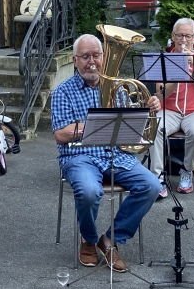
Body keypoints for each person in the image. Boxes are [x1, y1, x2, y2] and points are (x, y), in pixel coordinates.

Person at [53, 33, 163, 272]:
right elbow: (60, 134)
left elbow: (134, 126)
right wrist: (90, 127)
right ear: (74, 60)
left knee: (152, 186)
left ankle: (110, 240)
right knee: (89, 191)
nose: (92, 61)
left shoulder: (118, 88)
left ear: (104, 57)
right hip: (79, 156)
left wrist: (147, 108)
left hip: (116, 154)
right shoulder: (63, 91)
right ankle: (89, 239)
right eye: (85, 57)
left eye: (96, 55)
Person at [149, 18, 194, 194]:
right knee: (154, 128)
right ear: (173, 36)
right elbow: (160, 94)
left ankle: (187, 171)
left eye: (187, 36)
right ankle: (157, 177)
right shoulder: (164, 60)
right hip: (168, 110)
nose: (183, 40)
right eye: (180, 35)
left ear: (193, 38)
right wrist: (178, 74)